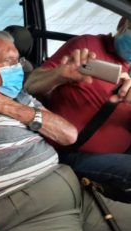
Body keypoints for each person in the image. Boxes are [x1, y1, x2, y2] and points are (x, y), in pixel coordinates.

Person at [0, 28, 131, 231]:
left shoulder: (18, 97)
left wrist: (7, 106)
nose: (19, 68)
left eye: (19, 60)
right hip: (29, 216)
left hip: (80, 199)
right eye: (10, 62)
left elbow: (68, 134)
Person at [24, 17, 131, 200]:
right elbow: (30, 86)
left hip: (118, 156)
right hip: (71, 154)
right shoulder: (87, 46)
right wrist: (59, 75)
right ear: (123, 23)